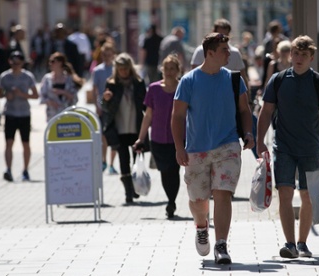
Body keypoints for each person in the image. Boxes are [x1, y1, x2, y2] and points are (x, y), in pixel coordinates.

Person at [171, 32, 254, 264]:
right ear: (210, 53)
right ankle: (201, 226)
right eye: (224, 50)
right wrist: (179, 147)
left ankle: (221, 244)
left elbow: (245, 110)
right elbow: (177, 116)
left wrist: (248, 133)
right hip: (196, 149)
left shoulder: (233, 79)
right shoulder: (189, 81)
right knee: (198, 201)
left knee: (223, 193)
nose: (229, 53)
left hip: (227, 145)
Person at [256, 35, 319, 259]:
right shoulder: (278, 80)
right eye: (296, 54)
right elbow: (266, 112)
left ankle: (302, 243)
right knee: (284, 194)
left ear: (311, 57)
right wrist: (260, 140)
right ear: (290, 55)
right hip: (283, 147)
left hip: (311, 148)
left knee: (307, 197)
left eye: (304, 55)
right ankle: (289, 243)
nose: (299, 58)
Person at [190, 18, 257, 158]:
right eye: (219, 33)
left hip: (229, 109)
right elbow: (194, 77)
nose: (221, 36)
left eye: (225, 34)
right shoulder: (199, 52)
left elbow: (243, 78)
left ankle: (259, 157)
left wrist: (248, 99)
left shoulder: (234, 53)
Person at [133, 54, 181, 218]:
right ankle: (170, 199)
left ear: (177, 70)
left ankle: (171, 201)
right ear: (162, 70)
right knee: (164, 170)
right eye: (166, 68)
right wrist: (141, 138)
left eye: (172, 68)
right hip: (158, 139)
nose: (168, 71)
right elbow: (148, 115)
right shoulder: (153, 89)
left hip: (179, 139)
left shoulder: (183, 87)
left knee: (174, 170)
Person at [101, 53, 146, 204]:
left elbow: (145, 104)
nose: (123, 72)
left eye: (126, 69)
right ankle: (128, 192)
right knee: (123, 159)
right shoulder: (112, 83)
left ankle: (135, 187)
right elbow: (105, 107)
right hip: (119, 127)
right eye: (120, 69)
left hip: (135, 126)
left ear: (130, 68)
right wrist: (105, 99)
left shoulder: (138, 82)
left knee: (137, 159)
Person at [0, 51, 39, 182]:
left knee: (26, 143)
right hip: (10, 113)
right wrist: (5, 95)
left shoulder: (28, 76)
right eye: (13, 63)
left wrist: (22, 94)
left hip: (24, 113)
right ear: (10, 62)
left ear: (22, 63)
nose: (15, 66)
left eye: (18, 63)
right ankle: (8, 169)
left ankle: (25, 169)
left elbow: (36, 95)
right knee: (9, 142)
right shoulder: (5, 76)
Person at [91, 42, 118, 174]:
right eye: (105, 55)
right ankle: (103, 161)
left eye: (109, 54)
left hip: (114, 108)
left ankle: (112, 164)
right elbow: (95, 89)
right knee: (103, 136)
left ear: (113, 54)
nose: (107, 57)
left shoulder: (117, 69)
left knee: (115, 135)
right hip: (102, 107)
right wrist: (97, 105)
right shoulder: (97, 71)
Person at [39, 52, 84, 121]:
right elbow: (42, 96)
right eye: (49, 62)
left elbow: (75, 98)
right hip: (52, 115)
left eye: (53, 61)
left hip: (68, 115)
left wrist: (63, 92)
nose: (50, 64)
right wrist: (50, 102)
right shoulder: (47, 79)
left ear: (60, 63)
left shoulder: (69, 79)